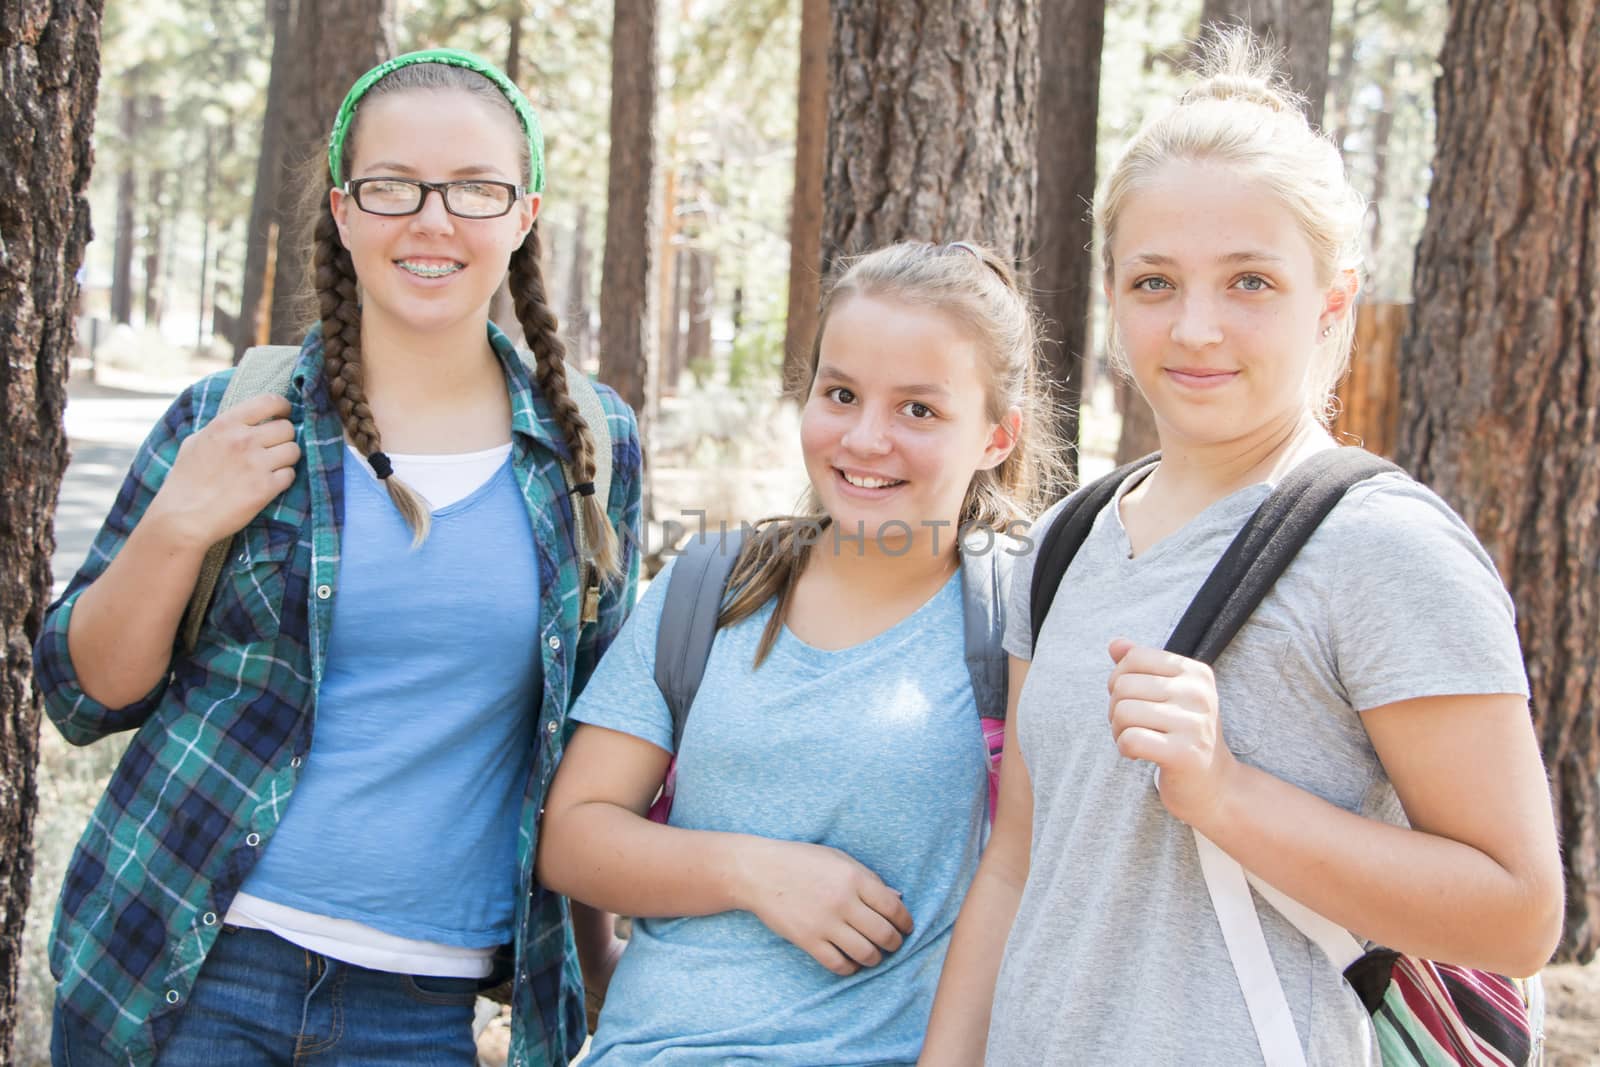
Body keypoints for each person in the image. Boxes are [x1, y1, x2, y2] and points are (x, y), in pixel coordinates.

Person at [921, 32, 1564, 1066]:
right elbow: (1017, 862)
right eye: (1154, 282)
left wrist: (1227, 794)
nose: (1197, 329)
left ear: (1332, 298)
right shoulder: (1065, 540)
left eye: (1250, 281)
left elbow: (1519, 911)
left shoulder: (1385, 550)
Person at [36, 49, 641, 1067]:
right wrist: (177, 521)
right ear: (345, 208)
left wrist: (600, 965)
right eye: (393, 185)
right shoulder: (233, 414)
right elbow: (83, 692)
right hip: (186, 967)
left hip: (420, 1004)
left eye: (475, 188)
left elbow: (589, 732)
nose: (433, 219)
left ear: (524, 213)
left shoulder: (590, 442)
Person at [535, 241, 1068, 1064]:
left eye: (918, 410)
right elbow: (573, 836)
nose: (865, 438)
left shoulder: (1018, 622)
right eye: (841, 393)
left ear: (998, 435)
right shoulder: (710, 587)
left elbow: (1033, 875)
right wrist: (753, 871)